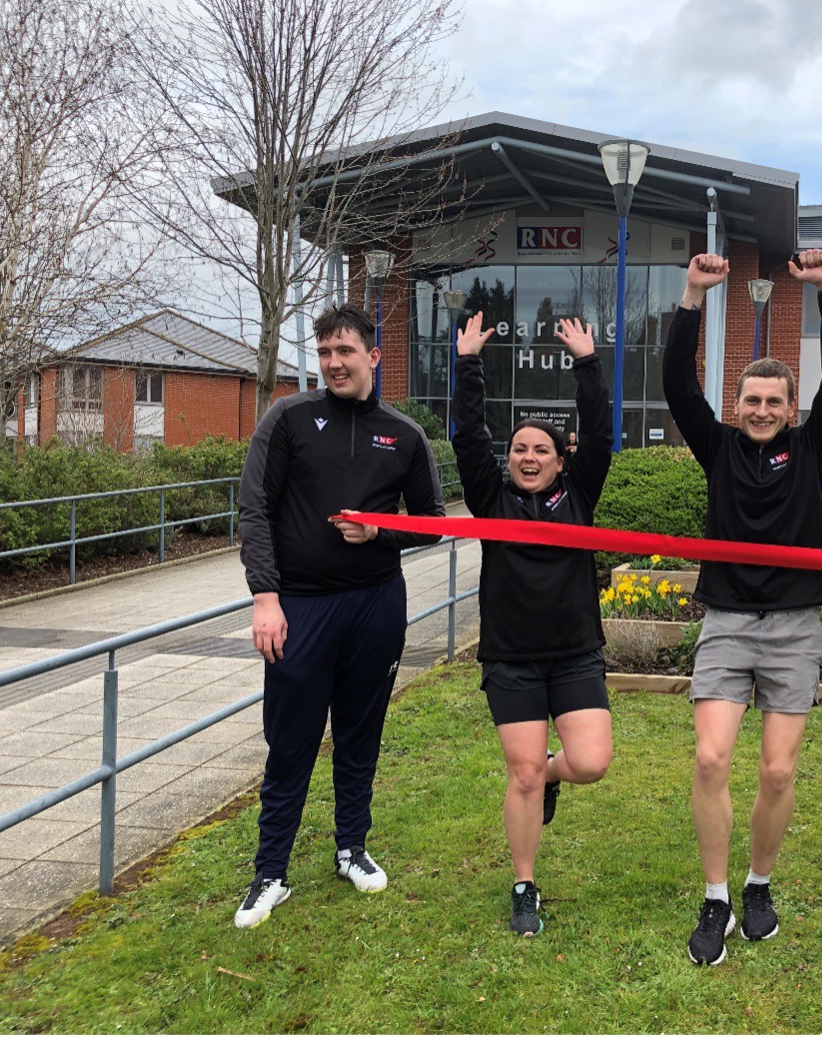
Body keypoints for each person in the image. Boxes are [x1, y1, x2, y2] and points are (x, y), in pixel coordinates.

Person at [663, 249, 822, 965]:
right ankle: (715, 897)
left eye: (776, 401)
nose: (764, 411)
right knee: (712, 758)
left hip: (794, 626)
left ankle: (757, 884)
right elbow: (675, 383)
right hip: (727, 622)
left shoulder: (812, 448)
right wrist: (692, 297)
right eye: (753, 400)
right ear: (737, 405)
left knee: (778, 772)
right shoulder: (717, 448)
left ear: (791, 408)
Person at [233, 303, 445, 929]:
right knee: (291, 740)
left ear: (373, 356)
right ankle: (270, 872)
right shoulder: (290, 417)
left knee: (360, 733)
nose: (333, 364)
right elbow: (254, 510)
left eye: (345, 352)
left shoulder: (403, 434)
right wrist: (265, 599)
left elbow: (431, 524)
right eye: (324, 353)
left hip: (376, 604)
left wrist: (381, 533)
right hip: (299, 607)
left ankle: (350, 847)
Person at [451, 311, 613, 937]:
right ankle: (524, 886)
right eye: (519, 448)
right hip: (512, 658)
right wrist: (467, 365)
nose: (528, 456)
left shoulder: (579, 496)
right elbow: (468, 437)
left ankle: (550, 771)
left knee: (592, 762)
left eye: (540, 448)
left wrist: (587, 364)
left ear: (558, 459)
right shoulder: (492, 500)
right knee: (519, 774)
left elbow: (599, 433)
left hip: (574, 653)